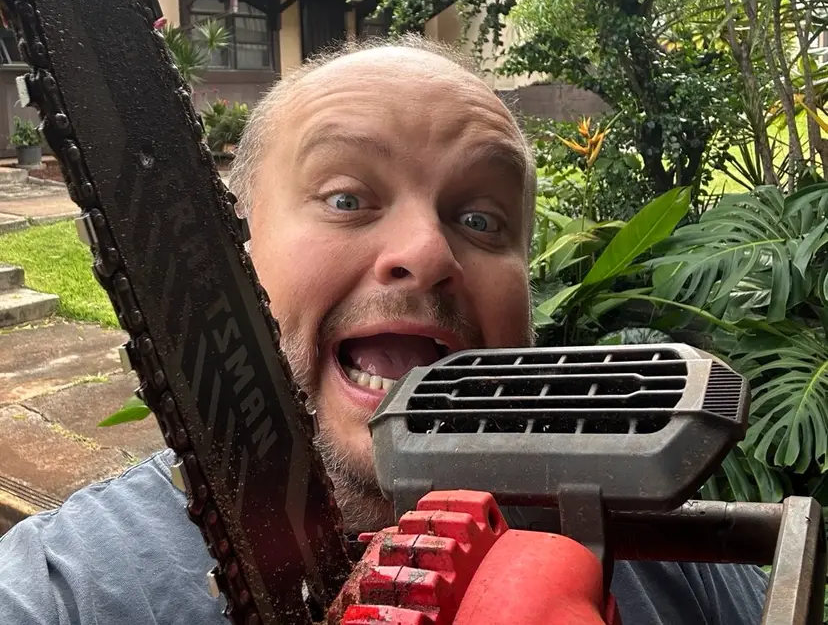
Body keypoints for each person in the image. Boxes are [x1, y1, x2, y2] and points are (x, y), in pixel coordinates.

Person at [0, 36, 768, 624]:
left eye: (480, 219)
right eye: (345, 198)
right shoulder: (60, 589)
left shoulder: (678, 559)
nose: (428, 254)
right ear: (234, 256)